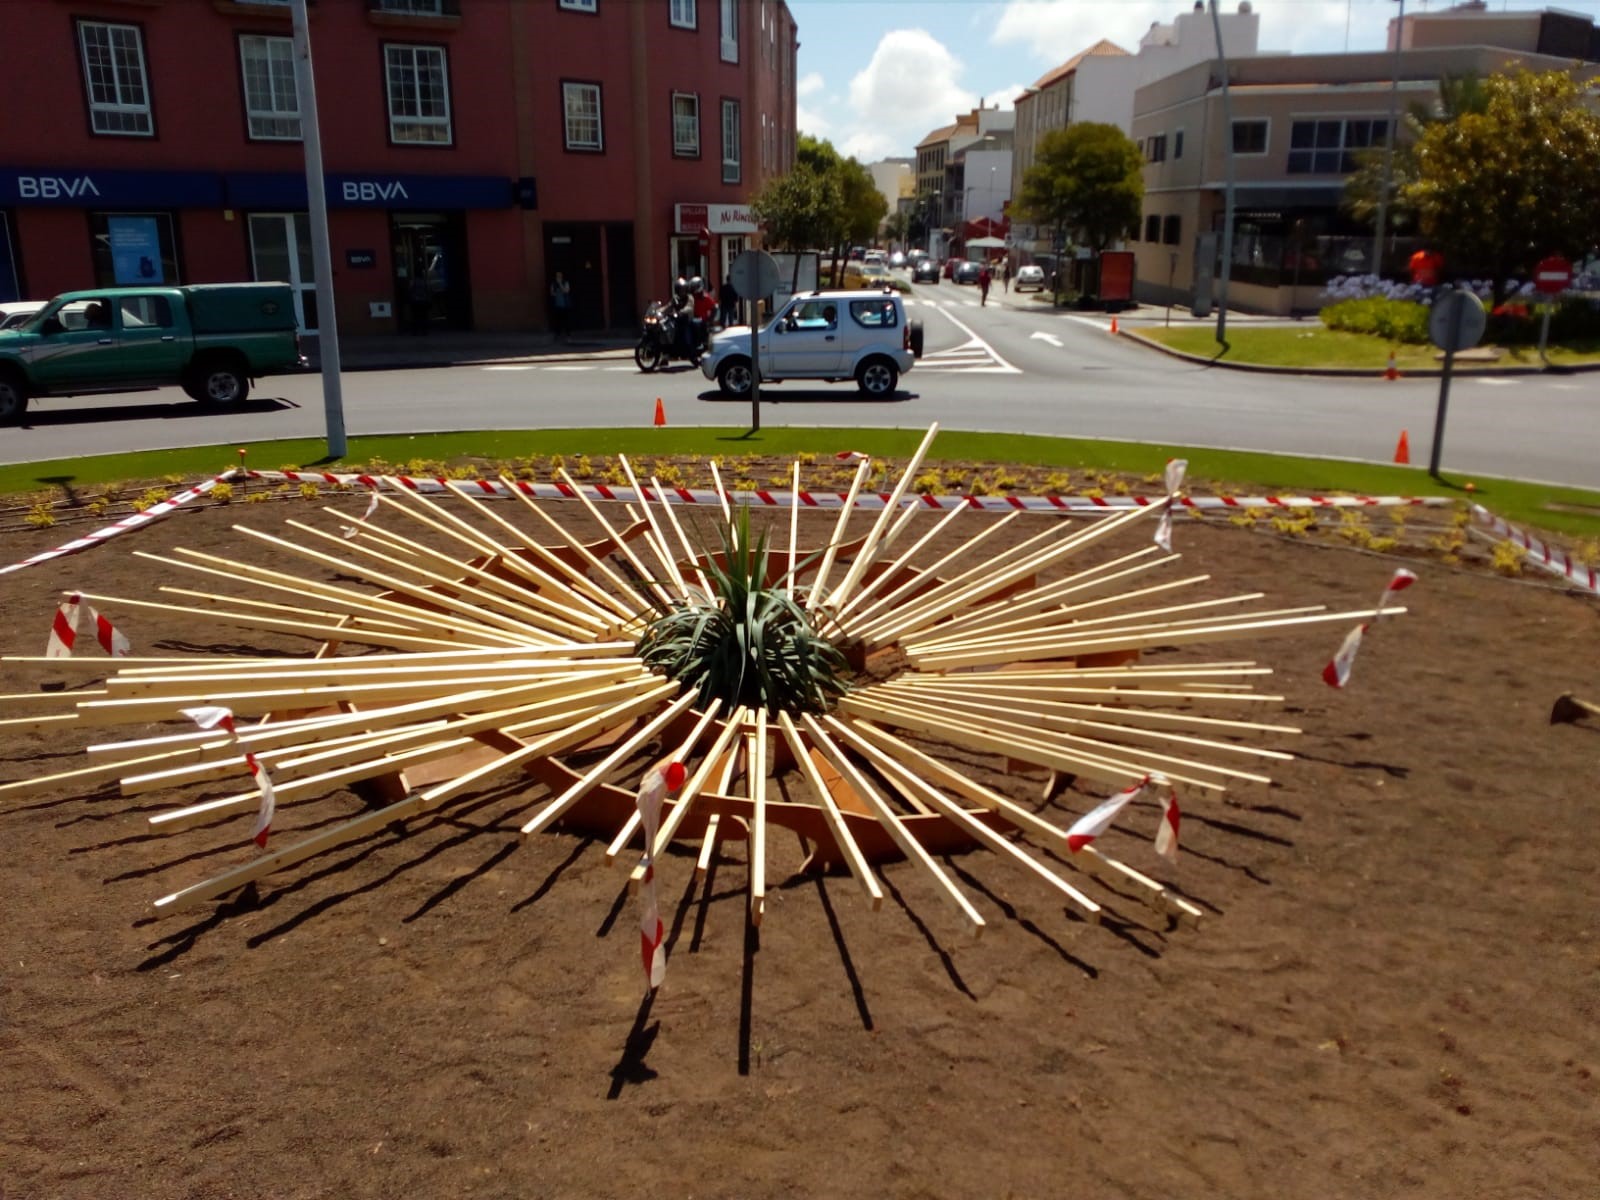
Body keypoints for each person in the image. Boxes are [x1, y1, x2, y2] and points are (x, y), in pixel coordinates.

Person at [548, 271, 572, 342]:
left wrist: (560, 284)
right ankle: (557, 335)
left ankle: (568, 336)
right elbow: (552, 293)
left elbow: (566, 291)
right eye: (557, 275)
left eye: (560, 275)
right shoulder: (553, 283)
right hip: (557, 305)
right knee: (557, 321)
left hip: (565, 305)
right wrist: (555, 292)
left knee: (566, 321)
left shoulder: (565, 282)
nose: (558, 277)